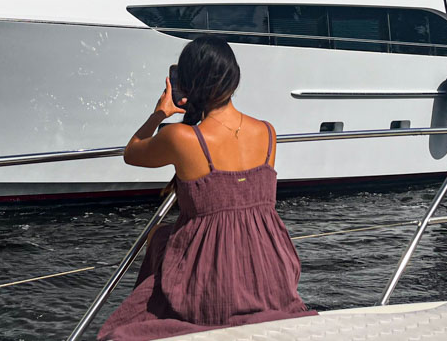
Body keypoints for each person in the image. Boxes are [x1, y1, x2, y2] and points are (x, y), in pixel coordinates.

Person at [98, 36, 314, 341]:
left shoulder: (182, 138)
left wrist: (160, 112)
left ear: (188, 84)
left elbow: (132, 152)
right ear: (233, 78)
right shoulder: (267, 132)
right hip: (271, 272)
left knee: (159, 240)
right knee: (162, 237)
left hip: (213, 280)